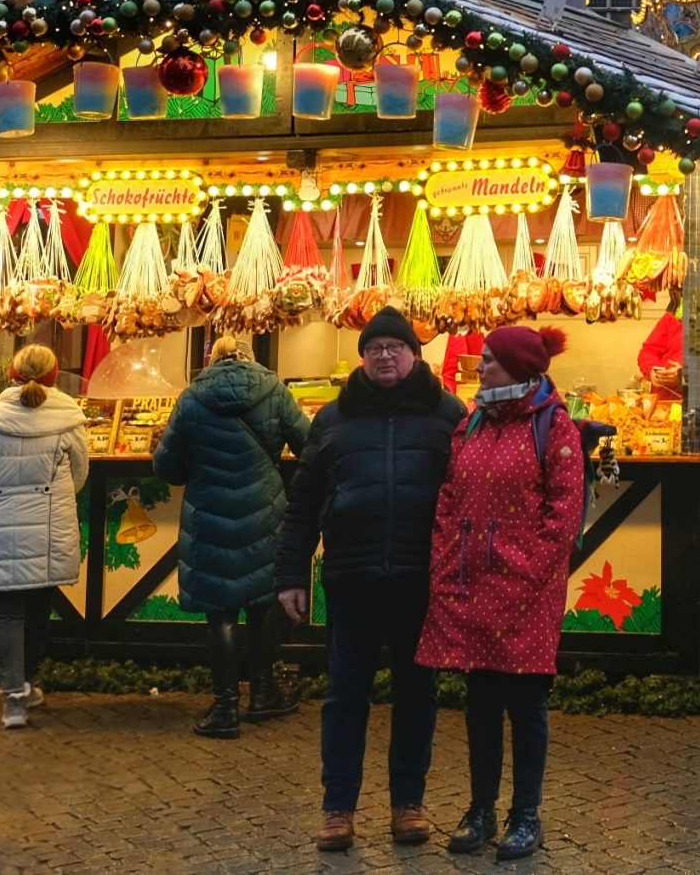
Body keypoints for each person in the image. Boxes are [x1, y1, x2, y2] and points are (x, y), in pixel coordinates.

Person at [274, 308, 466, 854]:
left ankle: (409, 804)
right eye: (375, 347)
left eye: (395, 347)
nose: (385, 356)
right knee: (344, 696)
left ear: (415, 355)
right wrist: (292, 573)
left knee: (416, 695)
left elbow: (467, 495)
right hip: (351, 576)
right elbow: (304, 501)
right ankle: (338, 809)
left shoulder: (446, 414)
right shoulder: (333, 420)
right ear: (363, 357)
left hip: (419, 578)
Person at [416, 325, 585, 860]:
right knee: (480, 701)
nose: (480, 366)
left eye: (488, 359)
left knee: (526, 703)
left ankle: (526, 814)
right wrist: (447, 555)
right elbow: (448, 496)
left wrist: (530, 572)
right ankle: (481, 808)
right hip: (471, 583)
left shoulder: (554, 428)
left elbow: (565, 512)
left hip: (526, 591)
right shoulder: (472, 423)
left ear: (517, 367)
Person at [152, 333, 310, 738]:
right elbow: (308, 445)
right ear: (248, 357)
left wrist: (199, 467)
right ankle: (262, 694)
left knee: (219, 611)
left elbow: (167, 467)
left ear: (212, 358)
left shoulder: (191, 398)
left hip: (209, 513)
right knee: (261, 604)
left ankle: (225, 708)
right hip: (264, 511)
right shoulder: (274, 389)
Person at [0, 343, 88, 730]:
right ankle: (29, 681)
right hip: (49, 527)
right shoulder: (69, 418)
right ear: (54, 376)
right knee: (37, 609)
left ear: (13, 375)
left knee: (7, 613)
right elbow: (80, 474)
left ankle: (12, 699)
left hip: (1, 523)